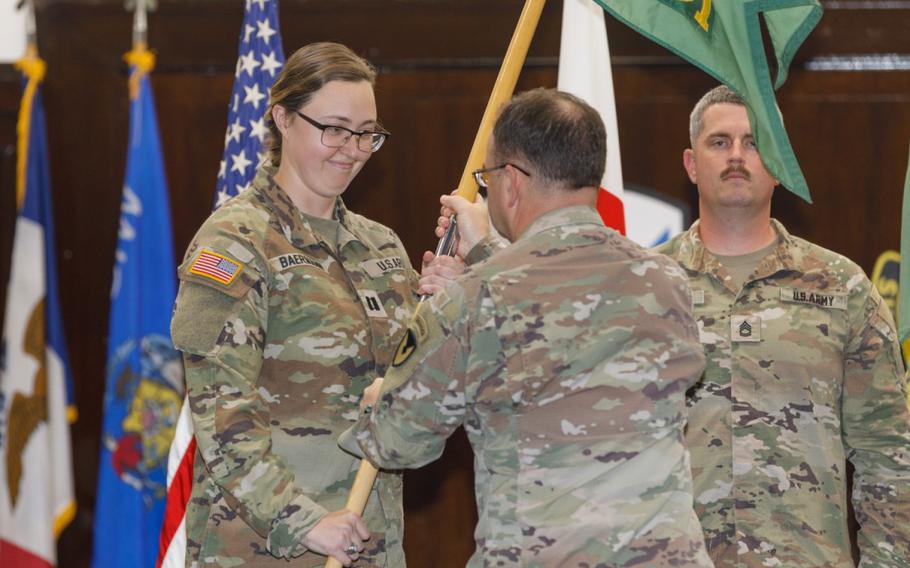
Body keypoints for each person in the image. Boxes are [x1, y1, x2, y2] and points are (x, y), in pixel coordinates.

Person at [340, 88, 713, 567]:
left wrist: (378, 398)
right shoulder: (665, 280)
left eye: (487, 177)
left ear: (510, 181)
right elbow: (563, 310)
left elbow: (398, 441)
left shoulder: (475, 299)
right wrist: (484, 255)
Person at [170, 42, 458, 568]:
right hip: (266, 547)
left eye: (367, 133)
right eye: (333, 128)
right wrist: (303, 523)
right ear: (282, 117)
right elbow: (221, 412)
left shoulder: (382, 248)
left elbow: (420, 395)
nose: (351, 148)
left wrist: (451, 305)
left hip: (371, 540)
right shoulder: (234, 243)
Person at [656, 85, 910, 567]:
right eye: (719, 142)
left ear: (776, 165)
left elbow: (889, 456)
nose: (736, 156)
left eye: (753, 143)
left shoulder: (843, 288)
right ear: (692, 164)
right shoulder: (644, 286)